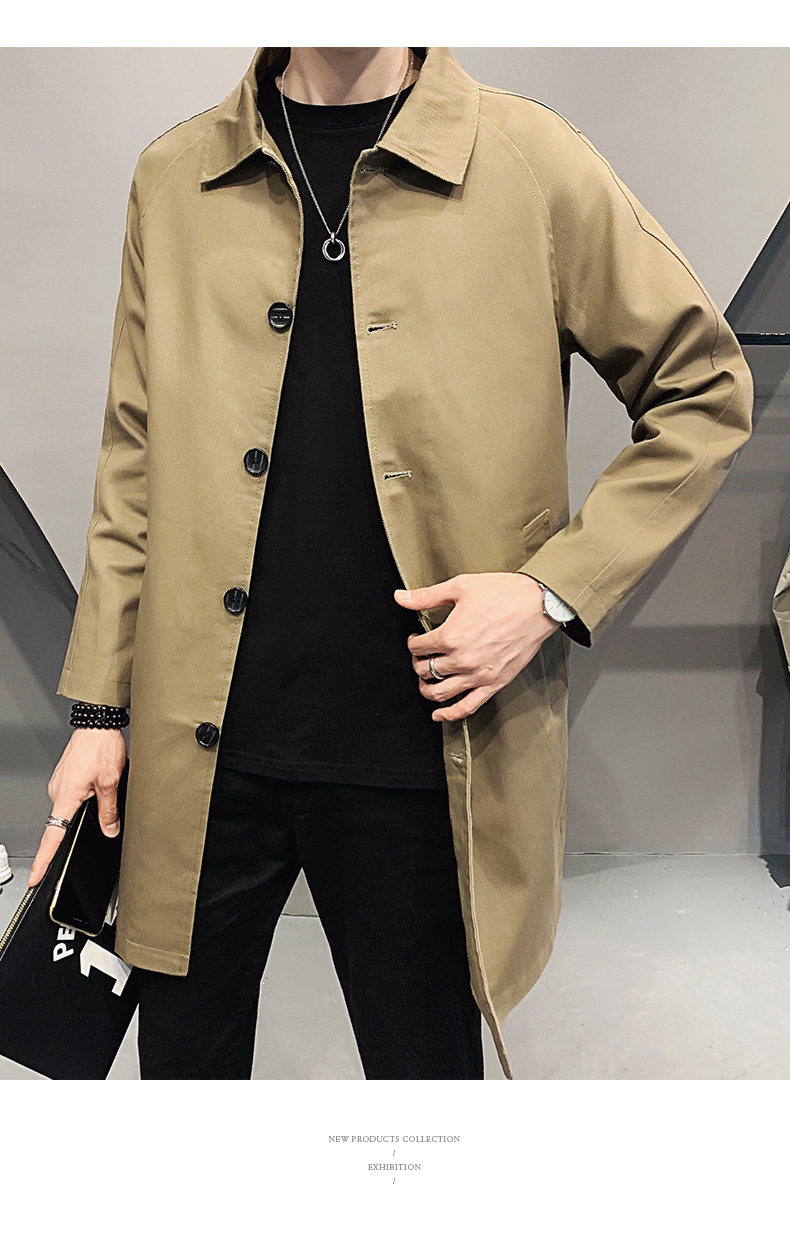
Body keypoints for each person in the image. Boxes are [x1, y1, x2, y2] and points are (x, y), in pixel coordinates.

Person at [34, 47, 753, 1080]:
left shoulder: (528, 159)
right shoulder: (177, 175)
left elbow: (703, 388)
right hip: (199, 748)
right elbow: (133, 460)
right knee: (186, 1097)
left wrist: (551, 591)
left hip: (422, 747)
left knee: (422, 1109)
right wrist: (101, 712)